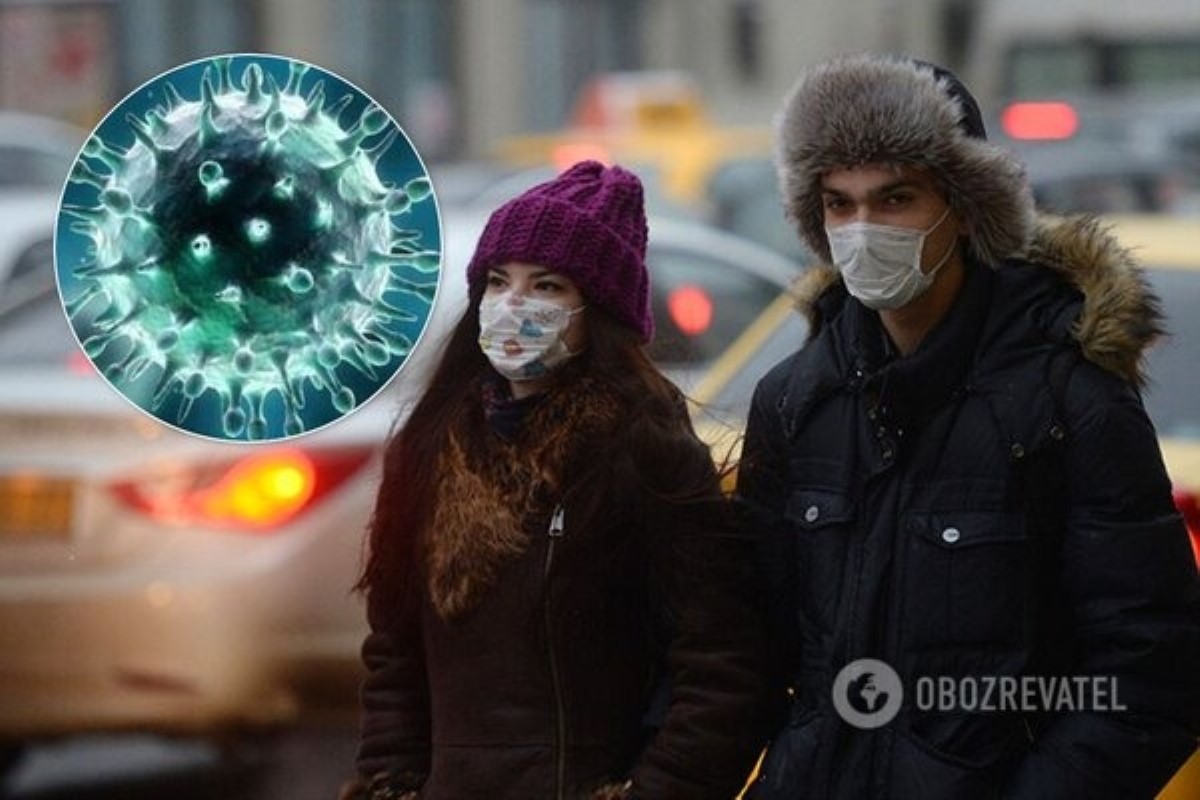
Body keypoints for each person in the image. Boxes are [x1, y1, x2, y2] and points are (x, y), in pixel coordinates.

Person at [737, 53, 1200, 799]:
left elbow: (1149, 675)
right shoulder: (796, 403)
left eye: (895, 198)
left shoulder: (1068, 402)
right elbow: (747, 653)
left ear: (963, 205)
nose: (863, 229)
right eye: (839, 203)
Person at [341, 160, 769, 800]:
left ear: (594, 312)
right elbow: (395, 655)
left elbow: (723, 663)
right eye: (497, 281)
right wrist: (391, 785)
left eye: (546, 287)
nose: (513, 305)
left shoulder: (642, 448)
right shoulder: (430, 448)